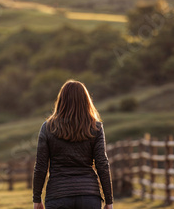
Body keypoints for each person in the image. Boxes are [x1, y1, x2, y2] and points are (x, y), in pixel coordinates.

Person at [32, 80, 113, 209]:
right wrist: (109, 201)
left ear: (61, 101)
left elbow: (41, 165)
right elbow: (102, 164)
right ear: (86, 101)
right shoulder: (95, 127)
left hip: (58, 195)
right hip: (89, 196)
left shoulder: (48, 127)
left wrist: (36, 199)